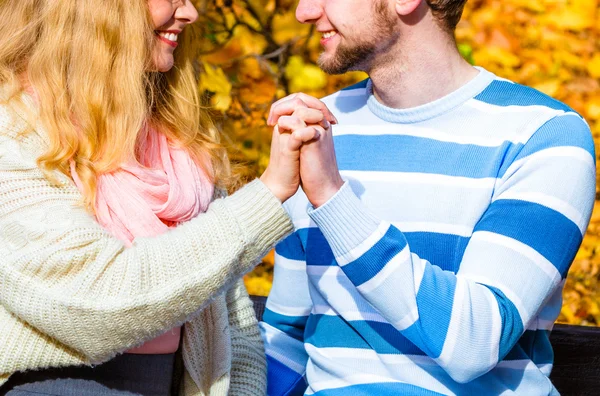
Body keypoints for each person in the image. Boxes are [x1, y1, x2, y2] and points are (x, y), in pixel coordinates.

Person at [260, 0, 596, 394]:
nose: (304, 12)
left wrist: (333, 201)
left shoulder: (542, 136)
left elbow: (475, 342)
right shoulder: (320, 127)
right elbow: (285, 337)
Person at [0, 0, 335, 395]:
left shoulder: (178, 149)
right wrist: (268, 193)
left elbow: (230, 324)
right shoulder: (15, 137)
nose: (190, 13)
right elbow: (99, 302)